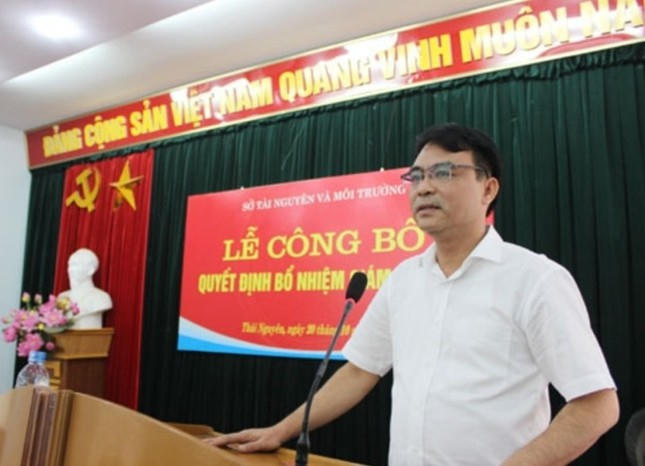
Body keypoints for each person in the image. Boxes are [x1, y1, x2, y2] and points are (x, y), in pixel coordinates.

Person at [208, 123, 619, 465]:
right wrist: (280, 430)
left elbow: (598, 405)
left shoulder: (535, 279)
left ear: (488, 189)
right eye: (417, 176)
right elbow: (360, 371)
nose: (424, 188)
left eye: (444, 173)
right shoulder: (404, 279)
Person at [58, 248, 112, 330]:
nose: (70, 270)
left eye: (75, 265)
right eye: (70, 265)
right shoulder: (62, 297)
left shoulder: (101, 298)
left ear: (90, 270)